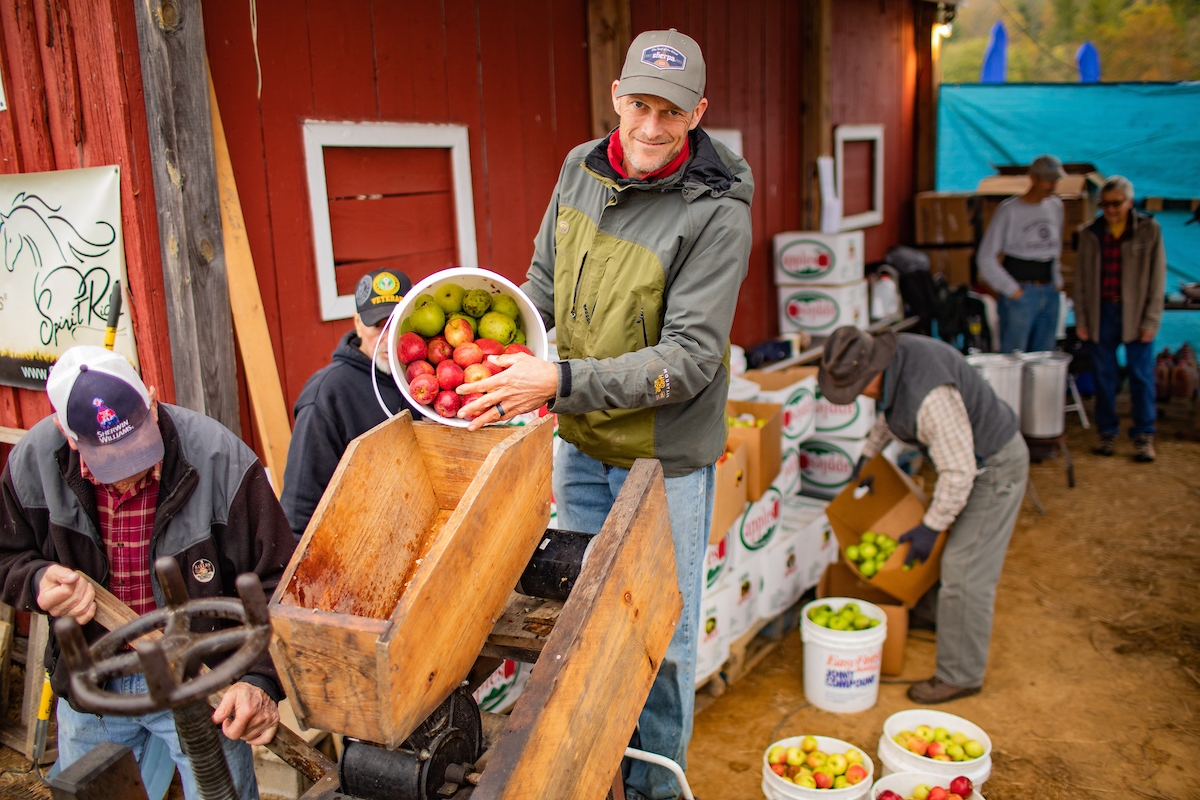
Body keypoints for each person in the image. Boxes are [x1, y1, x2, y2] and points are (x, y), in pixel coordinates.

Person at [456, 29, 752, 800]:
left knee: (660, 641)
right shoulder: (579, 168)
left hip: (663, 463)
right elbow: (541, 286)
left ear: (699, 114)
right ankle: (600, 774)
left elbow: (687, 363)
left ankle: (656, 788)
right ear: (616, 97)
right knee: (579, 630)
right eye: (640, 106)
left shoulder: (717, 214)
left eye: (672, 113)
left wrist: (555, 381)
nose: (652, 128)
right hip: (582, 448)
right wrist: (482, 356)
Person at [0, 346, 296, 800]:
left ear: (152, 401)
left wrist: (259, 680)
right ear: (67, 433)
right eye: (110, 464)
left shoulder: (221, 459)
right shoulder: (32, 463)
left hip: (203, 684)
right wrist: (36, 581)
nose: (130, 478)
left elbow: (282, 584)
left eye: (139, 452)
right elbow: (6, 557)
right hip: (93, 687)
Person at [819, 326, 1028, 704]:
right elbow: (891, 412)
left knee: (965, 568)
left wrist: (931, 526)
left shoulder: (930, 397)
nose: (857, 396)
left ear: (872, 373)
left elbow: (960, 471)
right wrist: (869, 453)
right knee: (948, 550)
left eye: (855, 389)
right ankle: (936, 615)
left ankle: (960, 675)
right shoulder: (891, 362)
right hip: (967, 463)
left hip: (992, 467)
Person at [281, 268, 416, 538]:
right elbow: (300, 513)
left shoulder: (431, 377)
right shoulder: (326, 395)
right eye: (378, 326)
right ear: (357, 324)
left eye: (398, 322)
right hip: (359, 546)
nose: (389, 338)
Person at [1074, 175, 1166, 462]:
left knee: (1140, 375)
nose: (1110, 210)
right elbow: (1080, 281)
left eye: (1115, 204)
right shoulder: (1091, 233)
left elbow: (1157, 279)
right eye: (1104, 204)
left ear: (1129, 201)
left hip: (1135, 312)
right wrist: (1082, 319)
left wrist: (1151, 320)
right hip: (1103, 310)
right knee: (1104, 375)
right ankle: (1107, 432)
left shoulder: (1148, 230)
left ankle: (1143, 434)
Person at [977, 155, 1066, 353]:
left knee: (1045, 356)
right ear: (1033, 178)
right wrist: (1012, 290)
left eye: (1056, 179)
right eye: (1047, 179)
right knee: (1014, 356)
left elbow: (1055, 249)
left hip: (1049, 289)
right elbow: (985, 257)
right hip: (1021, 291)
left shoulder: (1056, 206)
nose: (1053, 184)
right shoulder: (1009, 210)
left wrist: (1057, 282)